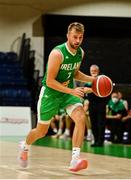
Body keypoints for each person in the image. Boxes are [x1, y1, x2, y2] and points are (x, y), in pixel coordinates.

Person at [17, 22, 94, 172]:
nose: (77, 41)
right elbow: (50, 81)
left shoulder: (80, 53)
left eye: (80, 37)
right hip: (50, 94)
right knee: (41, 132)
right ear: (68, 36)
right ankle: (24, 146)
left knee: (80, 117)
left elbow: (75, 73)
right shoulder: (57, 53)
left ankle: (74, 159)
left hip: (66, 93)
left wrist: (94, 80)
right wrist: (72, 91)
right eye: (74, 37)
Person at [84, 65, 108, 147]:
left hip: (101, 104)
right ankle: (95, 140)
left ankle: (100, 141)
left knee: (100, 122)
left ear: (98, 71)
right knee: (93, 122)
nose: (93, 72)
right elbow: (85, 92)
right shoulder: (87, 81)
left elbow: (103, 90)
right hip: (92, 104)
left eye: (95, 70)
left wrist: (91, 90)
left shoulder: (102, 79)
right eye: (92, 70)